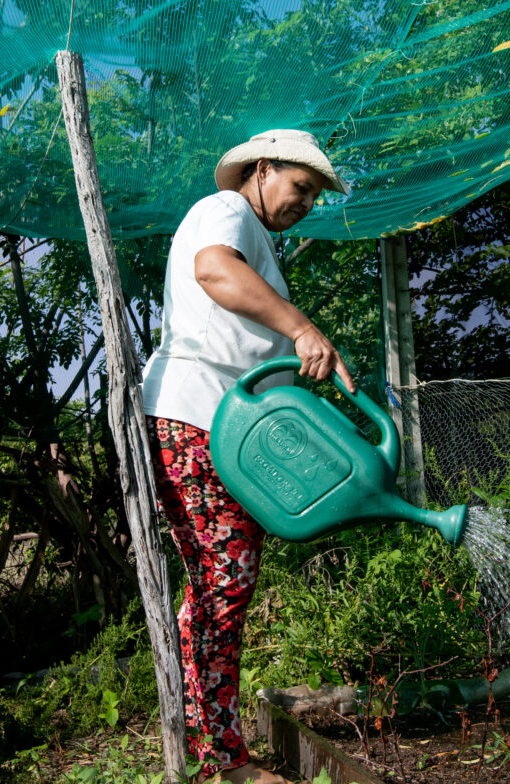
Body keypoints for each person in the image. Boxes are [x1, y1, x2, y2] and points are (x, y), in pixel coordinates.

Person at [141, 129, 356, 784]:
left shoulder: (257, 238)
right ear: (262, 170)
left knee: (220, 583)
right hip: (199, 420)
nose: (307, 202)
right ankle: (222, 765)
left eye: (315, 195)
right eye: (301, 187)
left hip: (220, 427)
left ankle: (215, 748)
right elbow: (212, 270)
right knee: (221, 583)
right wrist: (300, 327)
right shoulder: (227, 211)